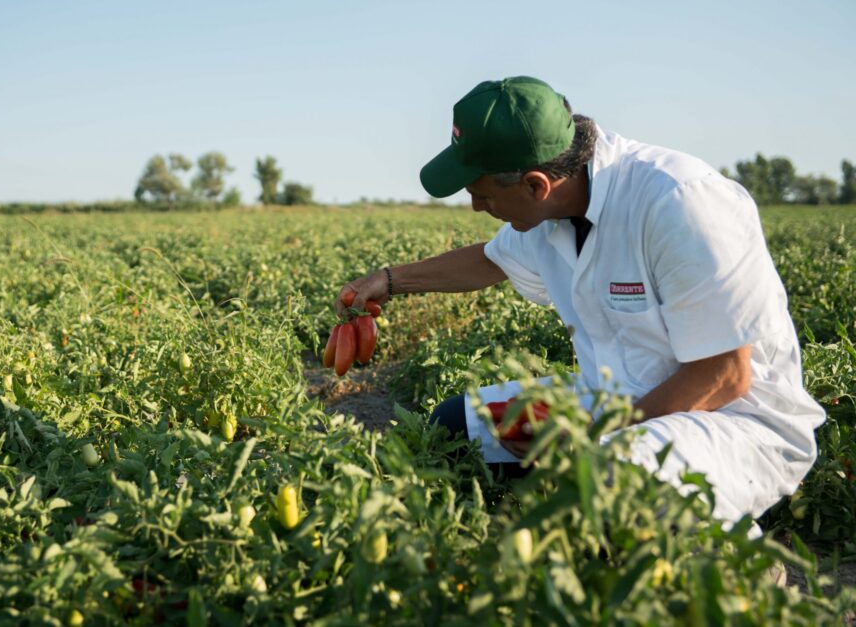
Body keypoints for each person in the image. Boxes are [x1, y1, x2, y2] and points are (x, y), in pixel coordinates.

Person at [335, 76, 825, 533]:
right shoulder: (553, 210)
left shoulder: (680, 203)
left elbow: (724, 375)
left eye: (481, 195)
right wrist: (390, 280)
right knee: (455, 427)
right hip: (614, 401)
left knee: (602, 478)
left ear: (535, 184)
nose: (476, 208)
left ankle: (738, 572)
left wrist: (588, 438)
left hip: (731, 421)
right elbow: (491, 261)